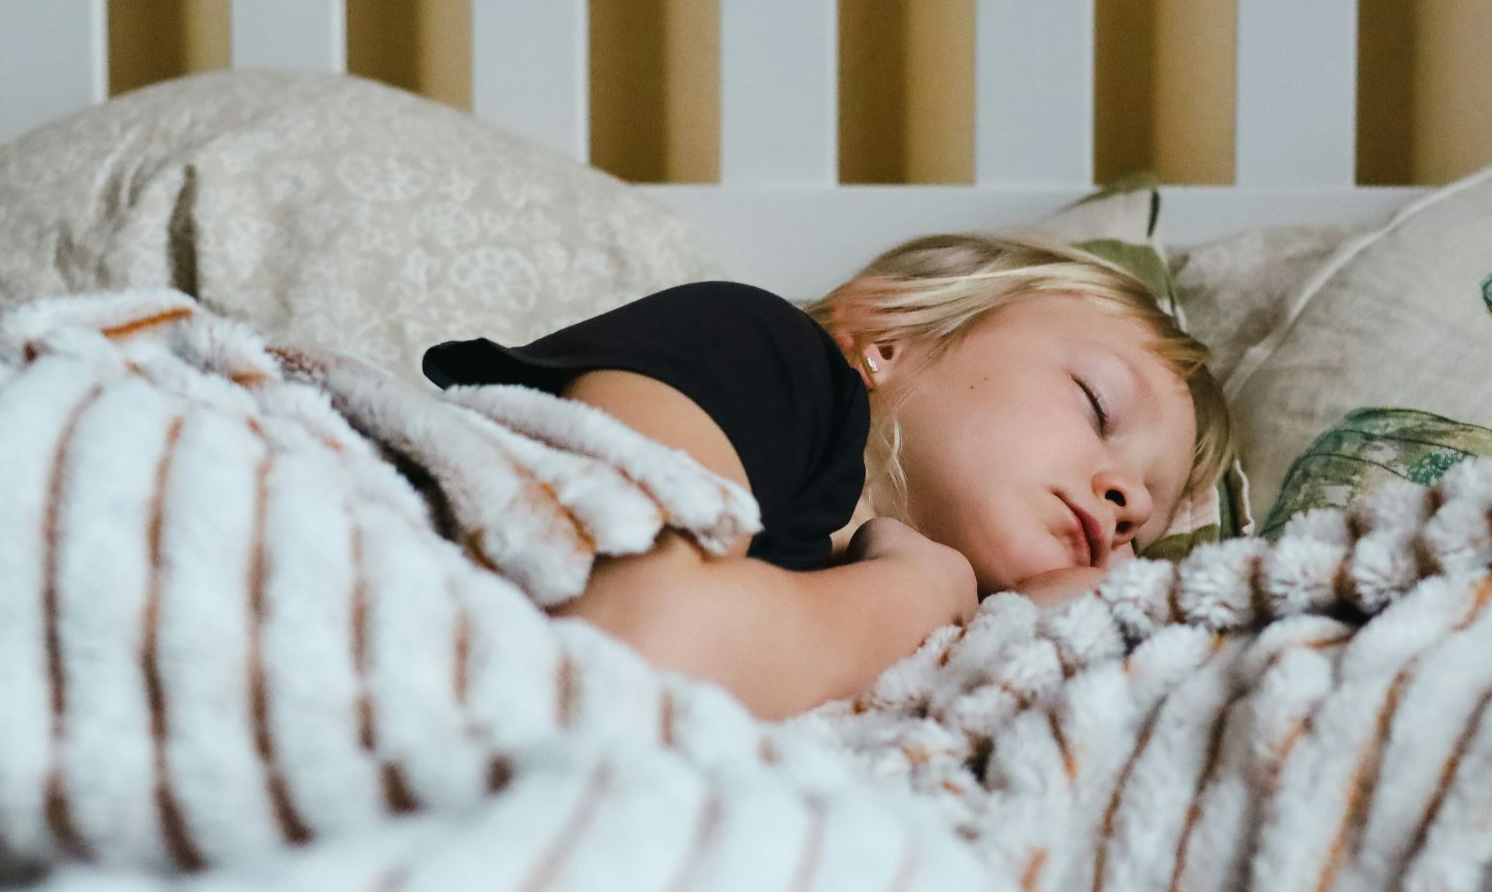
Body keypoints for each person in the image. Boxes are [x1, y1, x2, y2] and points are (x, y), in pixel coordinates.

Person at [422, 232, 1238, 719]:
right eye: (1096, 406)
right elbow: (633, 652)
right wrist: (924, 585)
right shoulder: (759, 349)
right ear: (889, 335)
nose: (1127, 500)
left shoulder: (932, 656)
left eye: (1148, 527)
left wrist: (1023, 624)